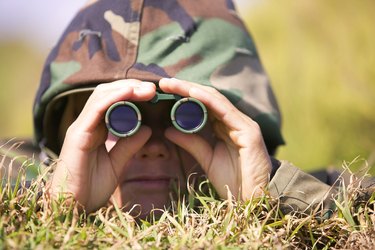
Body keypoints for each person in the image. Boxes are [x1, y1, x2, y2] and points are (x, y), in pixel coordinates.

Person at [3, 0, 367, 218]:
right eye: (119, 119)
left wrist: (272, 192)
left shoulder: (313, 188)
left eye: (190, 116)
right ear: (69, 127)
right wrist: (54, 196)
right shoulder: (18, 170)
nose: (153, 145)